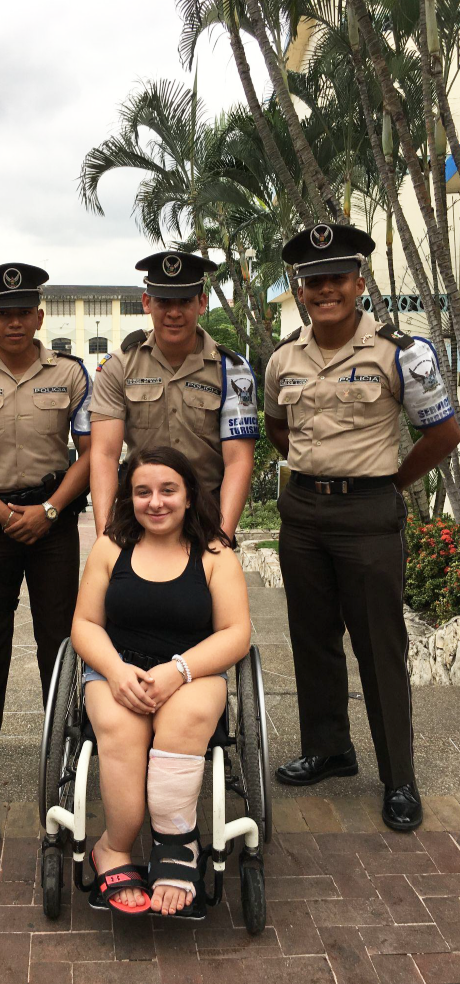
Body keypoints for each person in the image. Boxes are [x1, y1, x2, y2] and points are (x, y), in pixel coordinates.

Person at [265, 222, 460, 831]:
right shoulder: (282, 359)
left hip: (369, 514)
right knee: (312, 636)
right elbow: (279, 429)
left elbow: (444, 432)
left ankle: (399, 777)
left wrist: (391, 484)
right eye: (313, 281)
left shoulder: (403, 352)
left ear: (359, 282)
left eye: (336, 278)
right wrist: (311, 471)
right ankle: (329, 749)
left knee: (380, 646)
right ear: (300, 288)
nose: (325, 290)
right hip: (302, 513)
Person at [71, 446, 250, 917]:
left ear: (189, 495)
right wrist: (114, 670)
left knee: (187, 716)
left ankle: (175, 844)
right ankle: (114, 846)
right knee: (124, 732)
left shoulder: (215, 554)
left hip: (193, 668)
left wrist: (179, 671)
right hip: (118, 667)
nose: (156, 502)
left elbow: (236, 633)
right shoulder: (111, 547)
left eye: (168, 490)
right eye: (143, 492)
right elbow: (85, 625)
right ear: (129, 499)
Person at [0, 262, 92, 756]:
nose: (13, 323)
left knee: (58, 637)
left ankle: (66, 733)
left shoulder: (71, 373)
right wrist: (0, 512)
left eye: (21, 313)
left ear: (38, 317)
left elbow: (91, 451)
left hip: (52, 523)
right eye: (1, 314)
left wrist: (51, 510)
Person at [89, 250, 259, 540]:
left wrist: (223, 536)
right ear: (147, 303)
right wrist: (106, 534)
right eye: (164, 301)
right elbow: (104, 454)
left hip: (206, 514)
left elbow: (238, 461)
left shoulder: (232, 370)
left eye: (185, 301)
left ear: (202, 302)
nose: (174, 312)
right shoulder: (118, 366)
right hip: (139, 513)